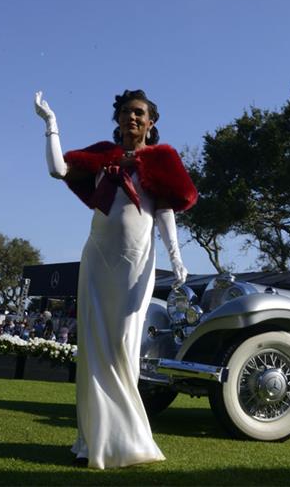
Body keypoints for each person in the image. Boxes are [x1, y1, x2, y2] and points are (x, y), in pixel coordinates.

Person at [34, 89, 197, 469]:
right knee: (93, 349)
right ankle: (91, 442)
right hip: (97, 259)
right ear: (118, 119)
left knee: (123, 346)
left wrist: (176, 257)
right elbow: (59, 170)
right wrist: (51, 124)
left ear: (151, 121)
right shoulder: (103, 156)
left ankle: (128, 439)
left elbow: (166, 209)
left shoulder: (159, 160)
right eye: (126, 112)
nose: (132, 118)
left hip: (136, 263)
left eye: (139, 113)